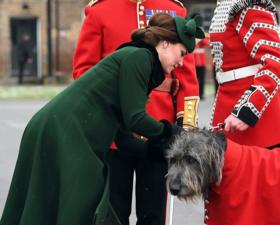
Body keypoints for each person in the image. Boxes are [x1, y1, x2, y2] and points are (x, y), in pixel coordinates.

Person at [0, 13, 205, 225]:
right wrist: (172, 134)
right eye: (181, 53)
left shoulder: (139, 61)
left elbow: (124, 139)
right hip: (65, 130)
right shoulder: (140, 57)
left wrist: (158, 152)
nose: (181, 62)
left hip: (63, 129)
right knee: (82, 200)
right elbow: (136, 118)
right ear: (164, 44)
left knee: (65, 205)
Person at [72, 1, 200, 225]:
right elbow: (85, 73)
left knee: (153, 215)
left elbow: (187, 80)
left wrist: (185, 127)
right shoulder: (100, 10)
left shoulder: (174, 9)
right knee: (112, 214)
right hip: (114, 131)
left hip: (159, 129)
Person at [209, 0, 280, 149]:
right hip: (227, 100)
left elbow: (275, 61)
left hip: (256, 115)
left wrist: (247, 110)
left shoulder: (248, 5)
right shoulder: (226, 4)